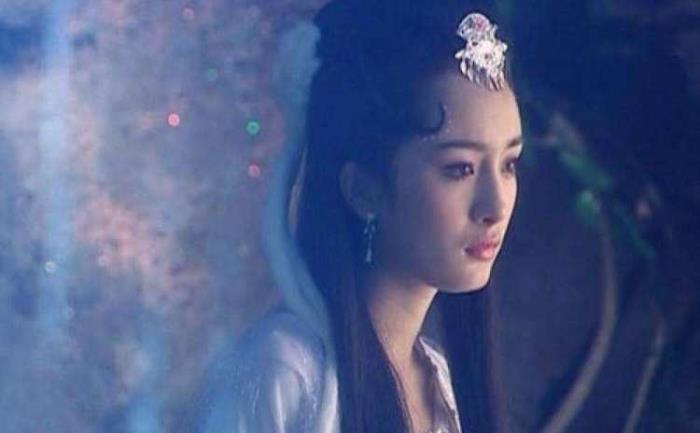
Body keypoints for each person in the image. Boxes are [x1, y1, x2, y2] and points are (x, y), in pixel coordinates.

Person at [202, 1, 523, 432]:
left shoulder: (441, 384)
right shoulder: (284, 373)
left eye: (509, 164)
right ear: (364, 190)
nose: (496, 206)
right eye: (459, 169)